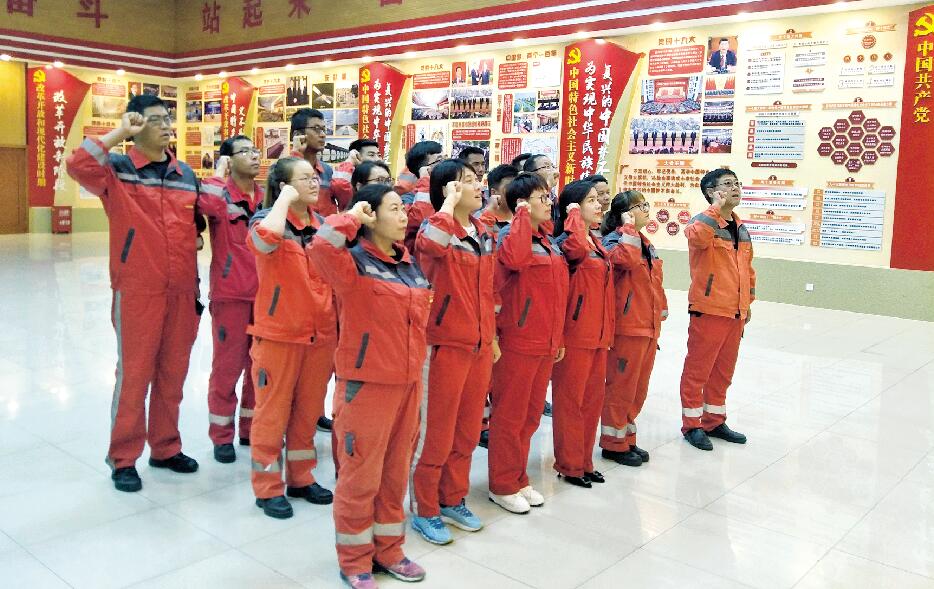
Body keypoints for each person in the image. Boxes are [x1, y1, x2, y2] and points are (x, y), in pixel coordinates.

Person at [65, 95, 200, 492]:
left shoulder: (185, 174)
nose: (166, 126)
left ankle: (166, 447)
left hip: (181, 290)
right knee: (135, 375)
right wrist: (119, 131)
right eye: (155, 120)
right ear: (136, 126)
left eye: (167, 119)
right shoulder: (117, 170)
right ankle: (124, 457)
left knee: (173, 374)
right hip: (138, 289)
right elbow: (77, 164)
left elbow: (200, 222)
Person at [310, 185, 431, 589]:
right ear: (371, 216)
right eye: (393, 209)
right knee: (360, 477)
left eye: (403, 208)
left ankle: (390, 550)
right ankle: (355, 560)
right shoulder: (352, 264)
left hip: (407, 384)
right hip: (366, 386)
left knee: (395, 474)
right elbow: (320, 246)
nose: (403, 215)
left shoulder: (409, 265)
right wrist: (351, 217)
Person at [409, 159, 499, 545]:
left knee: (466, 431)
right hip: (443, 344)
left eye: (478, 179)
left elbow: (489, 291)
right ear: (448, 188)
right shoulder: (436, 227)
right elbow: (430, 245)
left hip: (479, 345)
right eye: (468, 181)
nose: (479, 186)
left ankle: (452, 498)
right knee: (436, 433)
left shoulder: (483, 232)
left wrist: (491, 336)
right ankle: (425, 507)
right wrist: (446, 204)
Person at [246, 157, 336, 518]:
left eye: (315, 178)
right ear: (283, 186)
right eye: (304, 179)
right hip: (279, 335)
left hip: (320, 335)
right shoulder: (267, 220)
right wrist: (282, 200)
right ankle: (267, 487)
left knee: (307, 412)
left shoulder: (323, 225)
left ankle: (301, 477)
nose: (315, 183)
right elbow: (264, 242)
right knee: (272, 413)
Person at [488, 173, 568, 514]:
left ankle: (519, 477)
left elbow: (557, 294)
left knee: (531, 416)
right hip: (517, 340)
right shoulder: (510, 236)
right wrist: (520, 216)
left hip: (545, 341)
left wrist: (558, 337)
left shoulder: (548, 241)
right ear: (522, 204)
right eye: (541, 198)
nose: (549, 203)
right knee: (510, 416)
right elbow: (516, 262)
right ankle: (502, 483)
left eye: (549, 197)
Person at [199, 135, 264, 463]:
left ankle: (250, 428)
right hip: (231, 294)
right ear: (229, 159)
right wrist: (218, 172)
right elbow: (205, 207)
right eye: (245, 151)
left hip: (265, 296)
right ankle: (221, 435)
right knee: (227, 366)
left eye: (255, 150)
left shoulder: (267, 197)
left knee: (259, 366)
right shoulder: (220, 195)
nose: (254, 156)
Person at [679, 169, 754, 451]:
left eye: (737, 183)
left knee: (723, 372)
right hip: (709, 309)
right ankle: (692, 425)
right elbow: (697, 238)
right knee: (698, 370)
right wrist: (714, 209)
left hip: (735, 312)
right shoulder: (702, 221)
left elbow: (748, 269)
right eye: (728, 184)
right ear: (712, 191)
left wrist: (747, 304)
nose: (735, 188)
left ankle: (714, 420)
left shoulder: (740, 227)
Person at [550, 180, 613, 488]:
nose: (598, 205)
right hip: (575, 335)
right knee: (570, 403)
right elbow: (574, 251)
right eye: (590, 201)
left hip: (599, 335)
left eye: (597, 200)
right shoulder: (568, 241)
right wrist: (573, 216)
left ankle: (585, 461)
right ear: (573, 208)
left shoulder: (595, 241)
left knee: (591, 402)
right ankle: (570, 464)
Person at [599, 191, 667, 466]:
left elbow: (655, 285)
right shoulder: (614, 241)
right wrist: (627, 229)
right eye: (640, 206)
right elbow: (624, 262)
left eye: (646, 204)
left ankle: (627, 438)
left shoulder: (645, 243)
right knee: (621, 388)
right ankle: (613, 444)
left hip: (647, 328)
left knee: (638, 390)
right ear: (625, 214)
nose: (646, 209)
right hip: (627, 328)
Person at [476, 163, 519, 449]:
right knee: (484, 374)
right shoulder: (483, 222)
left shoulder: (521, 221)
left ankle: (496, 421)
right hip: (488, 308)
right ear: (494, 192)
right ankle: (481, 425)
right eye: (509, 188)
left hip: (514, 310)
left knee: (503, 374)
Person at [290, 108, 352, 215]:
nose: (323, 134)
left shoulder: (327, 170)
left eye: (324, 129)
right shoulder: (281, 169)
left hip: (327, 225)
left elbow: (345, 204)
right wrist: (296, 153)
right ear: (298, 134)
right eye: (316, 129)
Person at [402, 141, 445, 251]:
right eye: (440, 161)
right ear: (425, 169)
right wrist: (425, 180)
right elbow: (422, 221)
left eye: (445, 158)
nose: (445, 164)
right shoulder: (407, 199)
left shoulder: (448, 193)